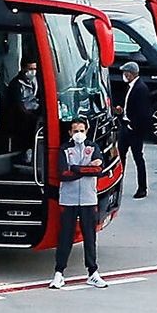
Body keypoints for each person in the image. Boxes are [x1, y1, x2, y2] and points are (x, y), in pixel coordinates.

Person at [49, 118, 108, 289]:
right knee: (65, 236)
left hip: (89, 199)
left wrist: (75, 168)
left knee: (90, 236)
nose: (79, 134)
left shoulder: (93, 147)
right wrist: (86, 169)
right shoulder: (65, 149)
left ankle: (93, 272)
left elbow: (98, 170)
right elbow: (63, 174)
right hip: (68, 199)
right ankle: (59, 273)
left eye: (81, 130)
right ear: (70, 132)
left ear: (86, 131)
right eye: (75, 131)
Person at [114, 61, 151, 198]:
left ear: (131, 74)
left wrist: (133, 126)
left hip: (134, 130)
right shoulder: (130, 87)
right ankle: (117, 184)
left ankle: (142, 187)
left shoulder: (141, 89)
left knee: (138, 158)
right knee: (120, 157)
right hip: (125, 127)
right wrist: (122, 111)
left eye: (125, 73)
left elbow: (143, 112)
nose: (124, 75)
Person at [5, 59, 42, 163]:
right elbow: (18, 105)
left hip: (34, 111)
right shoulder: (16, 84)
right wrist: (30, 115)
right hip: (21, 117)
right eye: (30, 69)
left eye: (35, 69)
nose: (33, 72)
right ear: (23, 68)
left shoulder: (36, 80)